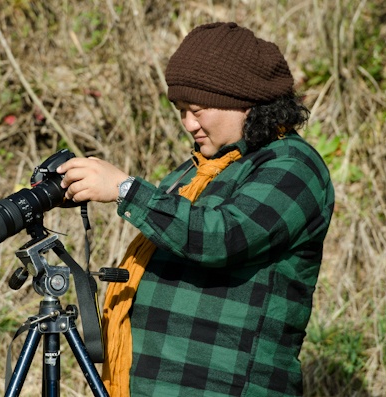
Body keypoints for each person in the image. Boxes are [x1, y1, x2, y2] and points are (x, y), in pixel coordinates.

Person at [56, 22, 335, 396]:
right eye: (181, 110)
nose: (188, 123)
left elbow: (222, 236)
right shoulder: (199, 170)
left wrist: (125, 190)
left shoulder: (293, 166)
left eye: (197, 110)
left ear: (244, 100)